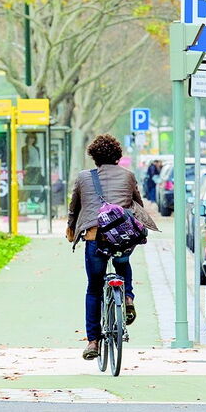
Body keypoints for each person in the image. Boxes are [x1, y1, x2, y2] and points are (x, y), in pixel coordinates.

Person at [67, 134, 159, 360]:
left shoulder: (83, 177)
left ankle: (93, 342)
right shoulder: (128, 176)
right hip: (122, 236)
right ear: (118, 156)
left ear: (94, 157)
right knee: (122, 262)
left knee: (94, 288)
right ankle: (127, 297)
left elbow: (74, 207)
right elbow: (137, 203)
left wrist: (71, 229)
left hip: (95, 235)